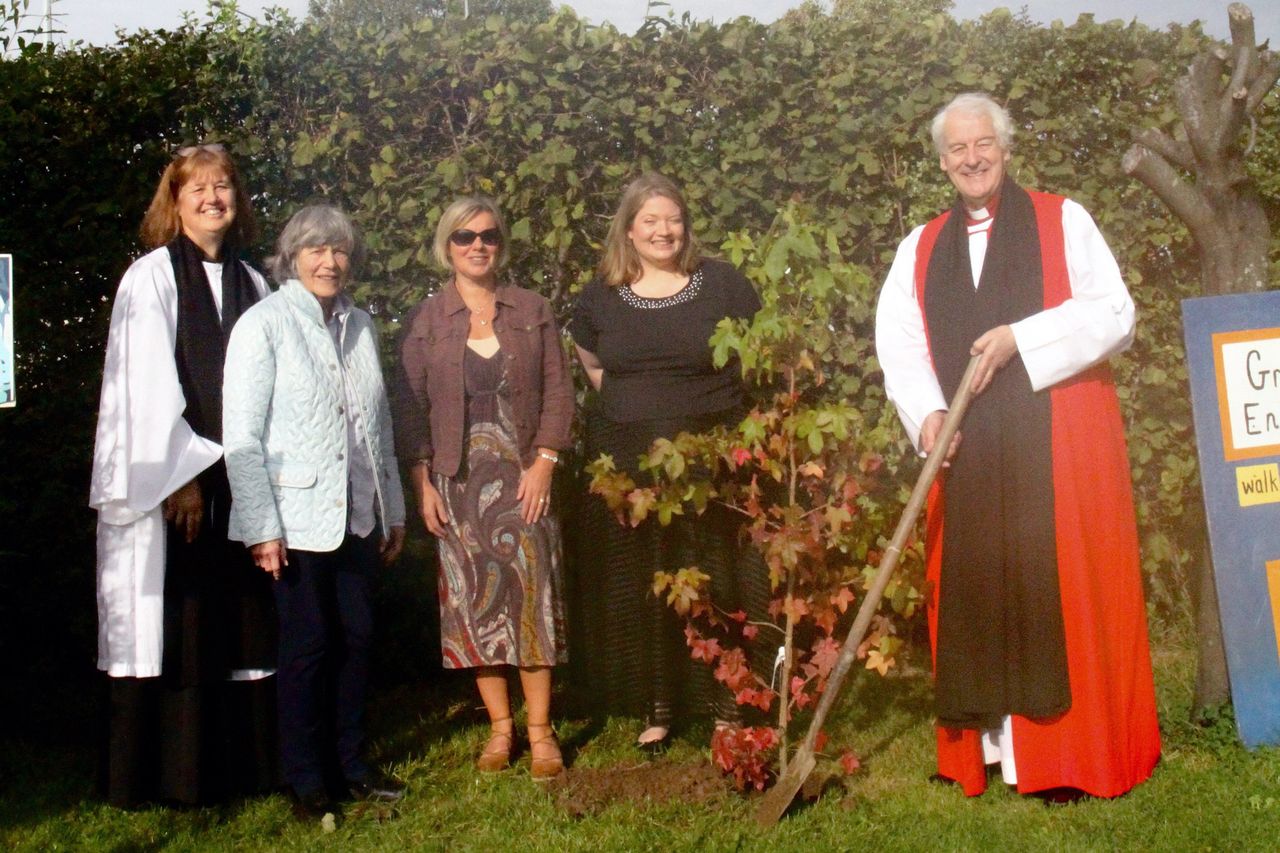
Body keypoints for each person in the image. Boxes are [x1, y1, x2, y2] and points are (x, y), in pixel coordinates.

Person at [875, 93, 1161, 799]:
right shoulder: (920, 245)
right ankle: (990, 750)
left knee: (1052, 578)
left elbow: (1114, 312)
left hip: (1053, 440)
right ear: (942, 161)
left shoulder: (1063, 220)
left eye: (984, 145)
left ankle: (1061, 755)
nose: (971, 159)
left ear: (1005, 148)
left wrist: (1019, 337)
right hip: (968, 446)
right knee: (976, 578)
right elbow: (900, 342)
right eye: (957, 150)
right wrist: (929, 415)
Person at [89, 143, 276, 808]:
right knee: (183, 617)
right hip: (182, 481)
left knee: (243, 617)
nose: (212, 198)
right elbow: (143, 382)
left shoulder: (256, 281)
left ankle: (240, 772)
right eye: (197, 188)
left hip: (243, 476)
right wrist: (180, 478)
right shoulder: (152, 277)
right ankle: (175, 780)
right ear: (174, 200)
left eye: (223, 185)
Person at [223, 204, 407, 821]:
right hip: (294, 523)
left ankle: (351, 765)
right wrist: (261, 528)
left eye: (340, 251)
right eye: (316, 250)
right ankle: (304, 777)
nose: (330, 262)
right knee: (308, 647)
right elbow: (241, 437)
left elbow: (376, 423)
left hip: (357, 514)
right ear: (292, 257)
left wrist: (393, 509)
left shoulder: (361, 324)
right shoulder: (264, 324)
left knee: (356, 640)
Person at [570, 173, 763, 752]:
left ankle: (728, 702)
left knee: (717, 574)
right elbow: (595, 367)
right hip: (630, 462)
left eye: (672, 219)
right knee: (645, 581)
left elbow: (752, 355)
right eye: (650, 220)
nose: (663, 230)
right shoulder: (601, 293)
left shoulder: (720, 283)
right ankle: (657, 705)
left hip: (709, 459)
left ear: (686, 225)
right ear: (628, 229)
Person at [393, 196, 573, 780]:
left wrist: (544, 462)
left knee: (532, 600)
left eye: (489, 236)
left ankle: (541, 732)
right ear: (447, 246)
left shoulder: (532, 309)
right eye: (465, 236)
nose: (477, 245)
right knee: (476, 604)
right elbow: (412, 410)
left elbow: (559, 392)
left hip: (524, 478)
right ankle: (501, 730)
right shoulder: (428, 320)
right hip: (458, 479)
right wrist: (423, 483)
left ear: (502, 244)